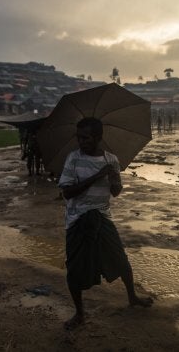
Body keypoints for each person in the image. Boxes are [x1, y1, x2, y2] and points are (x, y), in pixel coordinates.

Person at [58, 117, 152, 330]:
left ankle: (132, 297)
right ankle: (80, 314)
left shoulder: (111, 160)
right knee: (74, 268)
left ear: (98, 137)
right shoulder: (73, 159)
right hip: (77, 219)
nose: (81, 142)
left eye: (86, 138)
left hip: (102, 216)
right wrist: (96, 176)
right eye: (79, 137)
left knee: (120, 259)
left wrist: (113, 180)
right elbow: (67, 192)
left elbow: (116, 193)